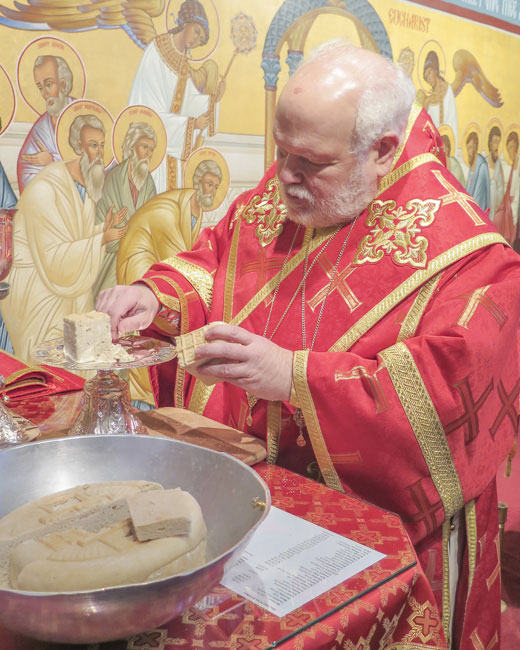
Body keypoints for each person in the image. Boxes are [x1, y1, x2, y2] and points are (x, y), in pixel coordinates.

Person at [97, 42, 520, 649]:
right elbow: (217, 258)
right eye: (280, 152)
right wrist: (155, 295)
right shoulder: (296, 184)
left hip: (372, 538)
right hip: (246, 498)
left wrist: (295, 377)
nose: (284, 179)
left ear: (383, 151)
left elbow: (448, 402)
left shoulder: (473, 260)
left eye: (309, 162)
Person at [3, 114, 127, 365]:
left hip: (65, 286)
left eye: (102, 146)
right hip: (38, 293)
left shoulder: (84, 187)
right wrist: (100, 239)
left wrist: (102, 229)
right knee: (51, 367)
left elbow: (73, 238)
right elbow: (53, 259)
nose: (100, 153)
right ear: (78, 147)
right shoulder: (45, 189)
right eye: (93, 145)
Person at [115, 158, 222, 404]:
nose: (211, 191)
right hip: (141, 265)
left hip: (156, 271)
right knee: (140, 342)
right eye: (207, 184)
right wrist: (154, 294)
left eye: (215, 186)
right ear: (196, 182)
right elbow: (182, 264)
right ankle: (141, 400)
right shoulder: (168, 212)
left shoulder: (194, 210)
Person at [128, 0, 224, 193]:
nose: (197, 39)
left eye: (201, 39)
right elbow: (150, 113)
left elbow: (187, 103)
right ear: (185, 23)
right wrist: (191, 125)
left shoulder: (183, 64)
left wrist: (213, 101)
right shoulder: (156, 52)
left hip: (171, 153)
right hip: (150, 152)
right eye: (197, 31)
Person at [93, 121, 158, 297]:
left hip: (140, 255)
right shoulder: (113, 179)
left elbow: (152, 221)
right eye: (144, 147)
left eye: (151, 149)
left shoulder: (148, 182)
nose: (148, 154)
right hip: (113, 257)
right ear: (131, 148)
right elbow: (100, 224)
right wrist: (119, 231)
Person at [17, 55, 75, 193]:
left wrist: (51, 162)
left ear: (63, 84)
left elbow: (95, 165)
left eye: (49, 84)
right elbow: (25, 168)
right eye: (40, 87)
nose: (45, 94)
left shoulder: (81, 114)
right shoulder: (41, 127)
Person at [418, 50, 459, 153]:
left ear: (435, 70)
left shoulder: (447, 91)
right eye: (426, 77)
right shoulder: (428, 100)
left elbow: (451, 122)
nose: (429, 79)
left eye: (429, 73)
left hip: (444, 145)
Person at [464, 130, 490, 212]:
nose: (469, 152)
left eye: (470, 148)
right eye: (468, 148)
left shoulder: (482, 166)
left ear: (475, 147)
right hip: (471, 209)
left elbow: (485, 191)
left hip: (479, 210)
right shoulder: (471, 166)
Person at [486, 125, 505, 222]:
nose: (497, 146)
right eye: (495, 142)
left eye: (499, 142)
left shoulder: (498, 165)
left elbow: (501, 188)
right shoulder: (484, 163)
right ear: (490, 143)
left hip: (494, 209)